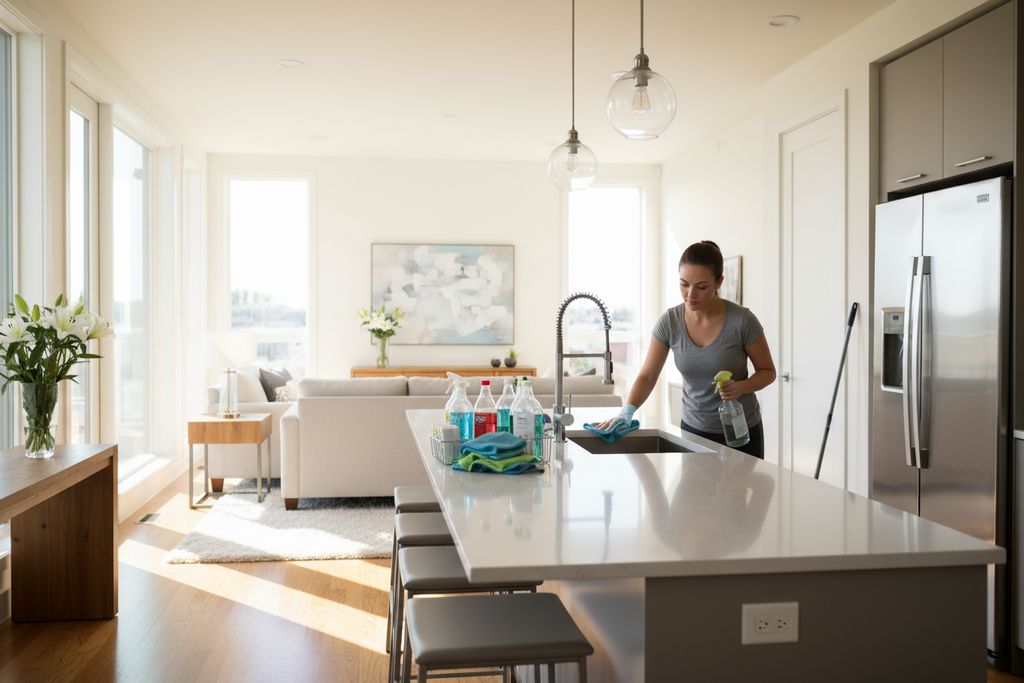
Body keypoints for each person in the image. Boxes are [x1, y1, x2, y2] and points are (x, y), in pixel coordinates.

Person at [599, 240, 776, 458]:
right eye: (684, 284)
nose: (691, 294)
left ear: (719, 282)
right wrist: (627, 411)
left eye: (701, 287)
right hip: (693, 431)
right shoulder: (669, 322)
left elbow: (768, 372)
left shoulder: (742, 321)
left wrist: (740, 387)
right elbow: (647, 375)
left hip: (740, 432)